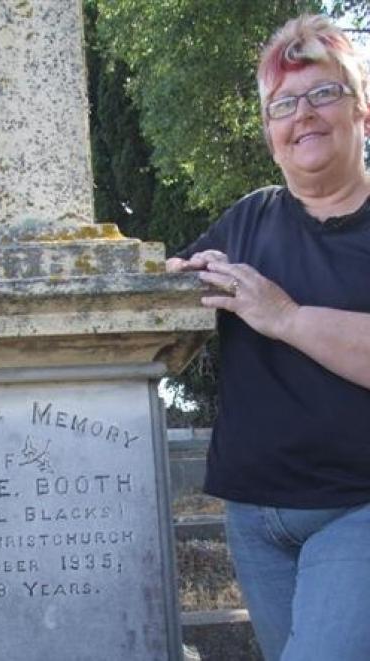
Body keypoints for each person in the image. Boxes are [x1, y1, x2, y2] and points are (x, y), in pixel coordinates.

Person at [167, 14, 370, 661]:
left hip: (356, 508)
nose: (302, 114)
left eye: (323, 93)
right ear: (269, 133)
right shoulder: (247, 218)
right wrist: (165, 284)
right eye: (283, 103)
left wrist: (282, 316)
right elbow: (173, 296)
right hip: (253, 518)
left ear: (362, 112)